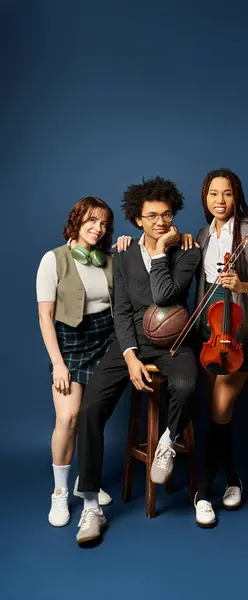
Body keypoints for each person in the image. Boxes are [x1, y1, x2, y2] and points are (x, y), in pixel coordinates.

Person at [75, 176, 201, 545]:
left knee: (187, 384)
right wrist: (129, 356)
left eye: (166, 215)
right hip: (130, 344)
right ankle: (90, 506)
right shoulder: (123, 256)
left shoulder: (188, 252)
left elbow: (165, 295)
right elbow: (122, 310)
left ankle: (167, 439)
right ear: (137, 219)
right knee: (90, 408)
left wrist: (162, 248)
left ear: (173, 215)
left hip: (173, 342)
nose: (160, 221)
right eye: (152, 216)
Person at [36, 196, 128, 527]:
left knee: (94, 414)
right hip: (71, 345)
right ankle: (60, 493)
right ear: (77, 220)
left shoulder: (107, 259)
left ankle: (83, 481)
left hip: (106, 341)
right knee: (69, 417)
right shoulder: (54, 260)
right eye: (91, 220)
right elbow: (46, 318)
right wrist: (58, 364)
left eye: (104, 223)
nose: (98, 228)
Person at [193, 168, 248, 528]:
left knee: (220, 406)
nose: (220, 201)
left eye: (227, 194)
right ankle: (232, 479)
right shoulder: (201, 236)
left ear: (236, 196)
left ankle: (201, 492)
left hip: (240, 337)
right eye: (214, 194)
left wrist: (242, 286)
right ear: (205, 198)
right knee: (218, 412)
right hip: (210, 334)